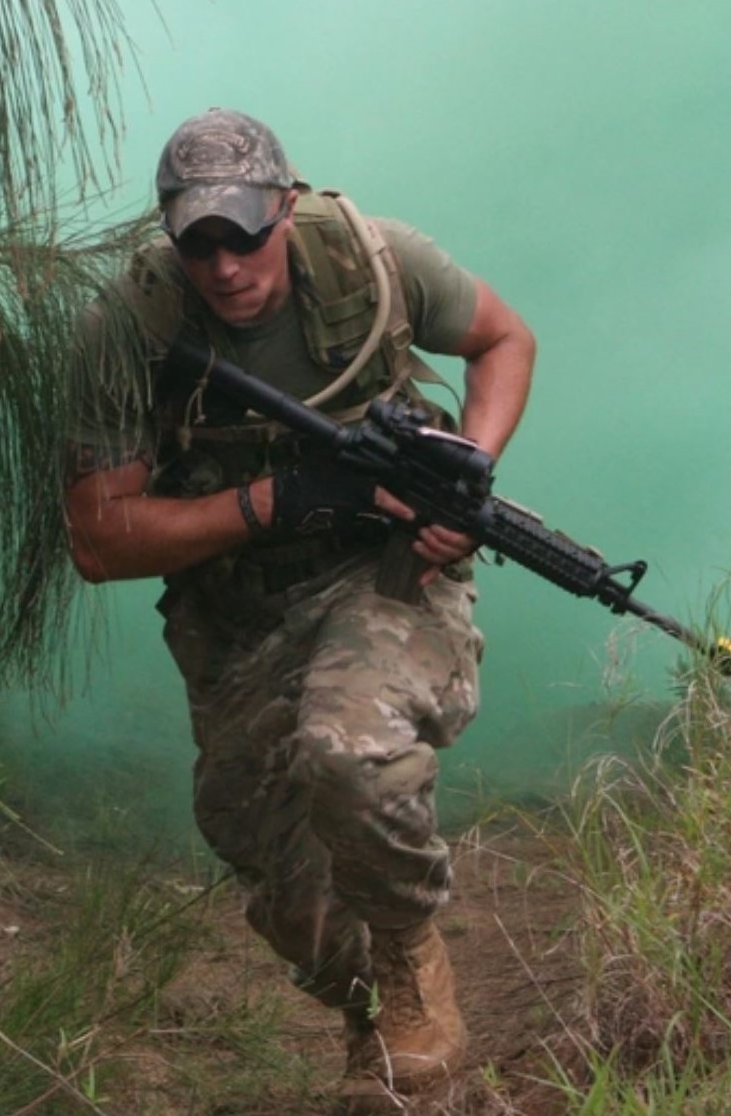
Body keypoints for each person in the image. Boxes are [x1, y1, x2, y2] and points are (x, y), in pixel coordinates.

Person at [62, 108, 536, 1107]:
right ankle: (382, 1023)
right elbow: (99, 539)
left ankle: (412, 962)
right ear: (169, 237)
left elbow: (503, 338)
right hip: (240, 614)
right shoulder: (131, 325)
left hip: (387, 575)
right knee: (268, 859)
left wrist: (470, 478)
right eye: (201, 242)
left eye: (245, 232)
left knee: (347, 747)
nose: (227, 264)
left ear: (286, 204)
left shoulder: (373, 259)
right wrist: (271, 500)